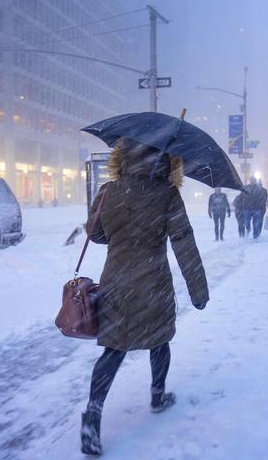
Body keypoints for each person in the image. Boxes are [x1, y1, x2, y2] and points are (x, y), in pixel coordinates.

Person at [83, 140, 209, 455]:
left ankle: (93, 414)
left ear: (123, 158)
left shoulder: (109, 191)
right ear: (166, 160)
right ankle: (157, 395)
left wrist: (122, 231)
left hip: (116, 282)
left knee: (113, 349)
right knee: (159, 339)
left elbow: (95, 234)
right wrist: (198, 290)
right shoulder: (167, 193)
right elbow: (183, 242)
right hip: (153, 282)